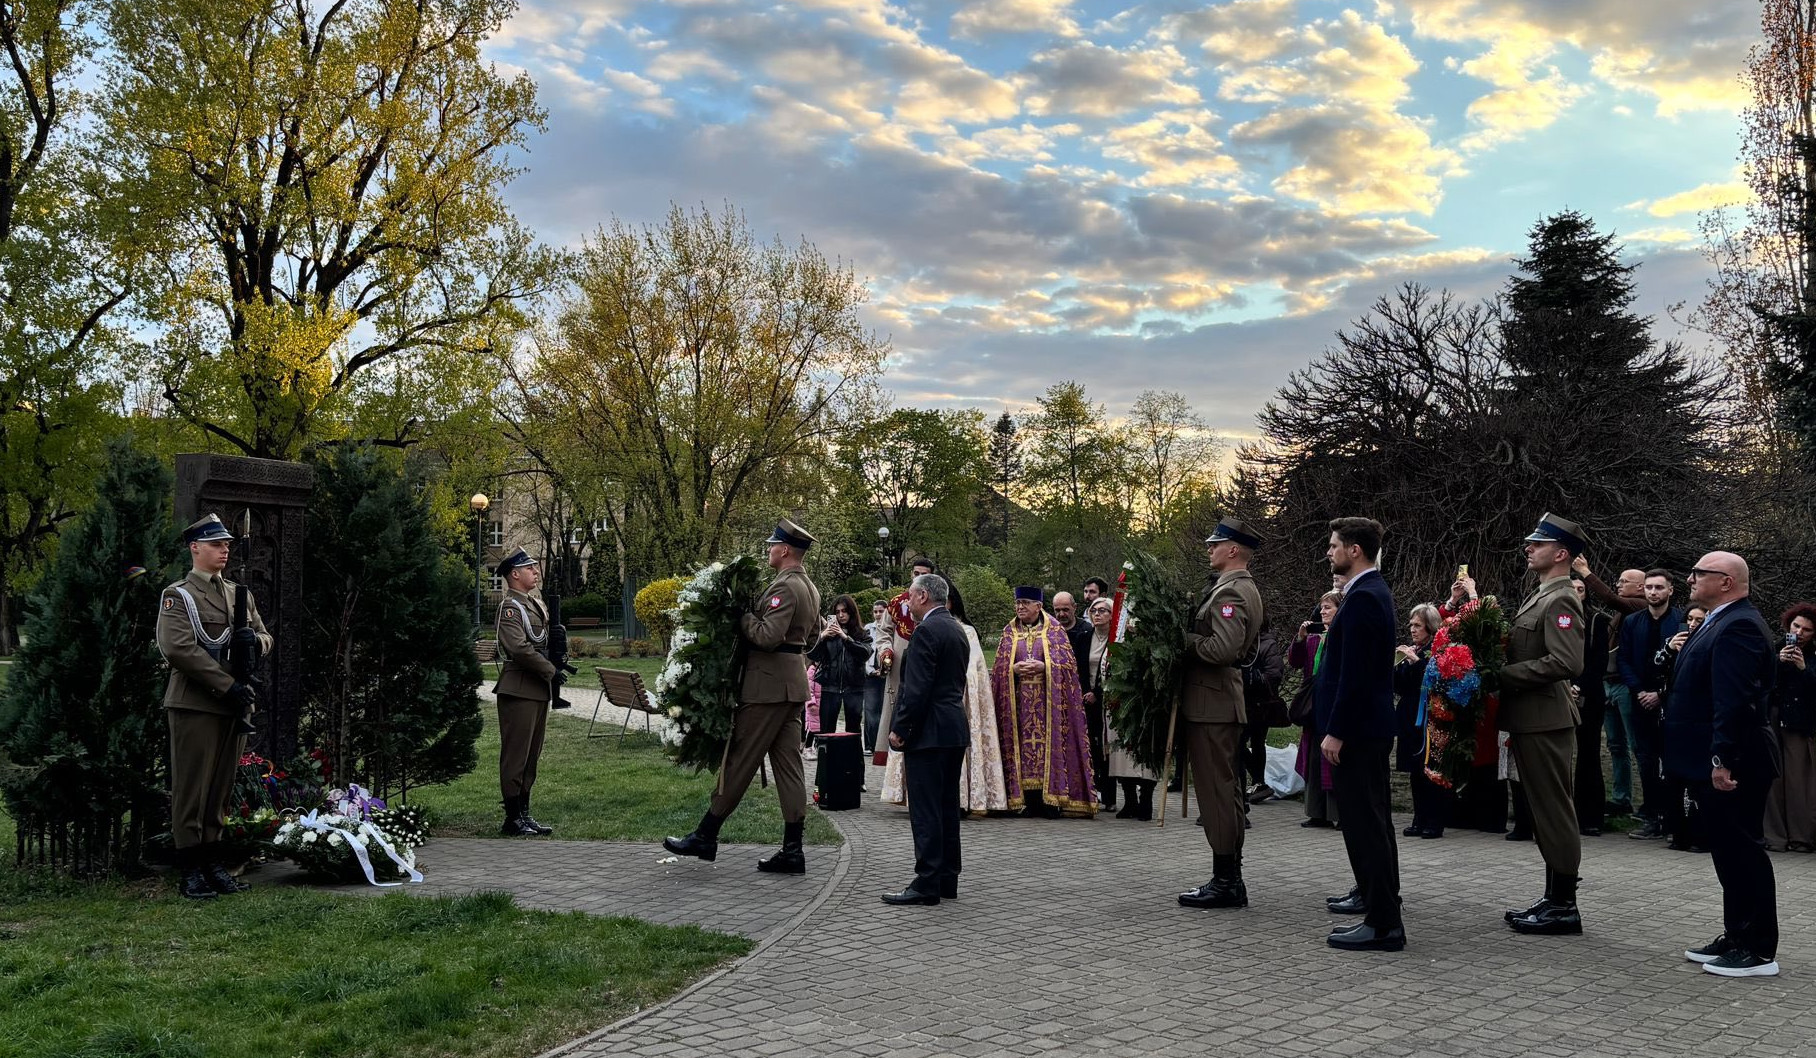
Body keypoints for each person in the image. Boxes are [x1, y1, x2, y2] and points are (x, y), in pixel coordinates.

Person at [665, 519, 823, 872]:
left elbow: (767, 636)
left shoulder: (786, 587)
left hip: (767, 689)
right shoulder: (809, 587)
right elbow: (811, 638)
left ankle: (706, 835)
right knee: (789, 768)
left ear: (785, 550)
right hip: (791, 686)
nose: (769, 549)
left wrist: (744, 616)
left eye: (772, 545)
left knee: (739, 759)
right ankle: (793, 850)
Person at [1665, 551, 1780, 977]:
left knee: (1743, 851)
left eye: (1699, 573)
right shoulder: (1718, 620)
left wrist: (1722, 758)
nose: (1690, 579)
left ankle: (1759, 949)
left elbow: (1733, 701)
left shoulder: (1741, 625)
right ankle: (1737, 935)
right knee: (1727, 853)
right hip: (1714, 757)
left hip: (1737, 759)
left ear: (1726, 582)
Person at [157, 513, 272, 899]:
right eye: (216, 544)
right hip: (197, 704)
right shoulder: (179, 595)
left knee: (221, 788)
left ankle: (213, 863)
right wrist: (227, 686)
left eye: (226, 544)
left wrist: (254, 643)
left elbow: (265, 635)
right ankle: (191, 868)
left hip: (234, 706)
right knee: (192, 789)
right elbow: (179, 649)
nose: (224, 550)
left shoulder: (240, 594)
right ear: (195, 548)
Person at [1315, 517, 1404, 952]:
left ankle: (1383, 923)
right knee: (1374, 822)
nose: (1329, 552)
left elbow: (1357, 675)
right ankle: (1381, 908)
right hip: (1366, 730)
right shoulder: (1368, 592)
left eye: (1334, 545)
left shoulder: (1366, 597)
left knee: (1365, 825)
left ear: (1355, 550)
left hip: (1359, 733)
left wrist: (1337, 730)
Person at [1500, 514, 1588, 936]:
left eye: (1539, 544)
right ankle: (1554, 896)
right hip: (1532, 719)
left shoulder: (1562, 599)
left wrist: (1503, 675)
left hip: (1546, 720)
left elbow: (1567, 662)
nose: (1529, 548)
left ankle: (1564, 905)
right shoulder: (1541, 594)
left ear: (1561, 553)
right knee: (1542, 810)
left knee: (1554, 810)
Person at [1175, 518, 1267, 909]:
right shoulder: (1231, 587)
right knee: (1225, 794)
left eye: (1216, 544)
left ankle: (1227, 881)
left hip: (1212, 706)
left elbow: (1222, 650)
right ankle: (1229, 877)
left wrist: (1183, 639)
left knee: (1217, 795)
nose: (1209, 549)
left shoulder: (1233, 592)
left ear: (1233, 550)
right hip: (1215, 704)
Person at [881, 573, 973, 906]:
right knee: (946, 806)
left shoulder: (926, 631)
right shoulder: (957, 629)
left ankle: (926, 881)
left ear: (923, 596)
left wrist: (900, 728)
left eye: (910, 596)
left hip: (929, 732)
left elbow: (917, 688)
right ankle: (947, 877)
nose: (907, 602)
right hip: (952, 728)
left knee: (926, 809)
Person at [991, 587, 1097, 817]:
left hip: (1049, 705)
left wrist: (1046, 666)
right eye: (1018, 603)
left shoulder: (1055, 631)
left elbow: (1069, 667)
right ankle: (1025, 801)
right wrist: (1012, 669)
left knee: (1049, 748)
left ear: (1038, 606)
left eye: (1025, 603)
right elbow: (998, 669)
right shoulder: (1009, 632)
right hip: (1019, 706)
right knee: (1021, 749)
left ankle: (1051, 800)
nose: (1020, 607)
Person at [493, 548, 564, 837]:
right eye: (529, 568)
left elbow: (542, 641)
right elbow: (519, 648)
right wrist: (550, 670)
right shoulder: (510, 608)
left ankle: (524, 813)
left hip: (536, 689)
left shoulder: (534, 603)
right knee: (516, 756)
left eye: (535, 567)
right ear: (514, 574)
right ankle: (512, 819)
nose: (535, 572)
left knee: (531, 756)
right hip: (519, 688)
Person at [1577, 559, 1648, 817]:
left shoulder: (1638, 605)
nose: (1618, 584)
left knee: (1637, 746)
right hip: (1608, 682)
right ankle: (1621, 799)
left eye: (1624, 581)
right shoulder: (1621, 612)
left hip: (1625, 686)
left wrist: (1585, 572)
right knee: (1616, 746)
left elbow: (1611, 599)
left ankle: (1650, 804)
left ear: (1640, 587)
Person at [1621, 570, 1685, 840]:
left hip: (1670, 702)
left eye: (1659, 587)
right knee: (1646, 760)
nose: (1653, 592)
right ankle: (1652, 816)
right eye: (1649, 587)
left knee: (1671, 760)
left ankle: (1673, 819)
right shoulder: (1633, 622)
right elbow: (1624, 660)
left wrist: (1660, 693)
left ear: (1670, 590)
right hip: (1640, 700)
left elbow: (1683, 664)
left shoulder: (1682, 621)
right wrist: (1639, 691)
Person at [1089, 597, 1156, 819]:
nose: (1097, 614)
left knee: (1143, 752)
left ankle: (1146, 801)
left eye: (1103, 610)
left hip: (1141, 704)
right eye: (1094, 610)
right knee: (1119, 754)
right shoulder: (1114, 639)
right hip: (1115, 703)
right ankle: (1129, 800)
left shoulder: (1145, 639)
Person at [1654, 604, 1709, 852]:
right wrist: (1669, 649)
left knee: (1696, 780)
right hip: (1671, 717)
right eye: (1690, 619)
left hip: (1698, 719)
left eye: (1699, 620)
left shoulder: (1709, 643)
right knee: (1672, 777)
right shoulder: (1673, 641)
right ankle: (1677, 832)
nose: (1693, 624)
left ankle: (1699, 833)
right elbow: (1655, 666)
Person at [1764, 602, 1816, 854]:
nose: (1799, 633)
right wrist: (1778, 662)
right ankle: (1774, 836)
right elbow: (1760, 681)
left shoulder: (1813, 656)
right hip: (1774, 716)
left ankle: (1801, 837)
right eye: (1796, 626)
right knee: (1773, 779)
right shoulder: (1774, 648)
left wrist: (1804, 669)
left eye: (1806, 629)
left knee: (1800, 781)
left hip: (1800, 721)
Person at [1395, 603, 1448, 838]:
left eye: (1417, 625)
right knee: (1415, 771)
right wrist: (1398, 664)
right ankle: (1419, 819)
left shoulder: (1438, 650)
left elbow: (1435, 680)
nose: (1412, 629)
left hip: (1430, 717)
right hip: (1410, 716)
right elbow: (1400, 686)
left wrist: (1416, 662)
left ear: (1430, 627)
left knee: (1430, 770)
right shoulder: (1414, 649)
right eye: (1411, 625)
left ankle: (1434, 821)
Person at [1290, 592, 1343, 828]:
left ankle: (1339, 813)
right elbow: (1295, 661)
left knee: (1332, 761)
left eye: (1328, 607)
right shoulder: (1314, 639)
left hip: (1332, 706)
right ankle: (1317, 812)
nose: (1323, 612)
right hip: (1314, 708)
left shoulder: (1342, 637)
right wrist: (1300, 639)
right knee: (1314, 759)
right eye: (1322, 608)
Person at [1055, 589, 1107, 807]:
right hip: (1061, 696)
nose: (1061, 614)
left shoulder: (1085, 631)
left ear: (1074, 608)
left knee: (1094, 745)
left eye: (1065, 609)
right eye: (1057, 610)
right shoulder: (1052, 631)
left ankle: (1099, 789)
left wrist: (1090, 691)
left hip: (1087, 697)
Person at [1570, 576, 1613, 836]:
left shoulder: (1597, 620)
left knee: (1589, 754)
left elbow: (1598, 661)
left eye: (1581, 589)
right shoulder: (1556, 618)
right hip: (1560, 691)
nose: (1576, 592)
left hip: (1589, 694)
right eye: (1572, 588)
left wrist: (1579, 686)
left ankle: (1590, 816)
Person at [808, 594, 871, 739]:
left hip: (854, 688)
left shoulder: (861, 634)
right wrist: (822, 637)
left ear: (851, 612)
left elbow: (865, 653)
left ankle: (851, 755)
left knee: (853, 731)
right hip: (830, 686)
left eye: (844, 611)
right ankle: (825, 754)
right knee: (826, 731)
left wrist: (845, 638)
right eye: (837, 612)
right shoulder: (828, 636)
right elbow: (812, 655)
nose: (841, 615)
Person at [1240, 619, 1286, 803]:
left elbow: (1274, 674)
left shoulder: (1266, 643)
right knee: (1247, 743)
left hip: (1261, 704)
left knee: (1246, 743)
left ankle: (1259, 782)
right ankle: (1259, 782)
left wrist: (1253, 678)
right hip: (1246, 702)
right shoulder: (1245, 641)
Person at [863, 599, 892, 754]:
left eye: (881, 611)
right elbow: (865, 652)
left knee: (885, 710)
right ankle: (870, 744)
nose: (878, 614)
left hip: (886, 673)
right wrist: (869, 670)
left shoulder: (890, 628)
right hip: (871, 674)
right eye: (875, 611)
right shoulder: (868, 629)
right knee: (870, 710)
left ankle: (883, 745)